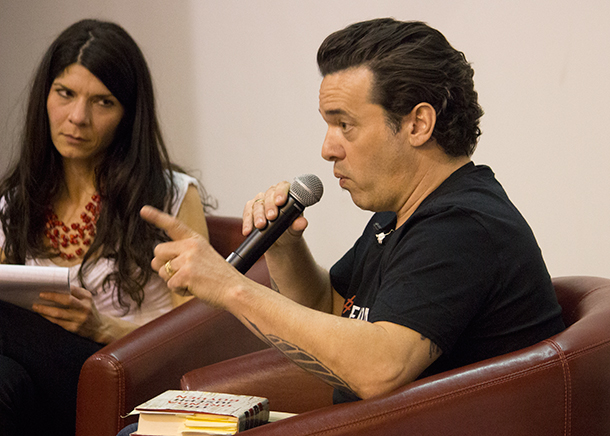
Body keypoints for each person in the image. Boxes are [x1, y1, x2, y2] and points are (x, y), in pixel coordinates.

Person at [119, 17, 566, 435]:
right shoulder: (400, 213)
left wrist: (231, 286)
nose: (327, 148)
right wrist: (284, 246)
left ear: (418, 123)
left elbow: (379, 369)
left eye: (344, 124)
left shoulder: (462, 226)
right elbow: (330, 311)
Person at [0, 19, 210, 436]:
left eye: (103, 102)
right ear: (45, 96)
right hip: (35, 390)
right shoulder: (18, 201)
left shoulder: (169, 195)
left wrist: (103, 328)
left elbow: (198, 336)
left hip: (129, 376)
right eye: (65, 94)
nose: (77, 117)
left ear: (127, 115)